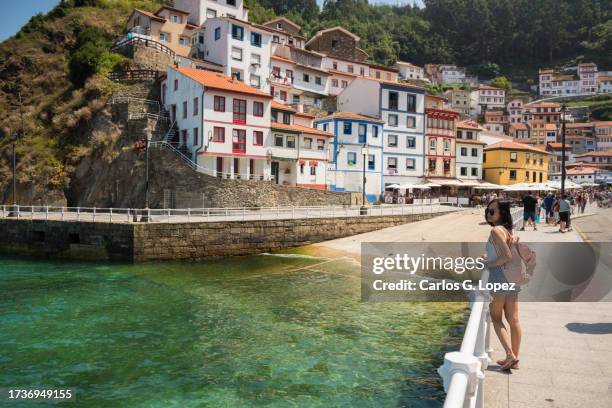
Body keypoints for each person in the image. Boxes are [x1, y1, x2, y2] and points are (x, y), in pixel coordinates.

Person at [484, 199, 522, 370]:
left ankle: (509, 355)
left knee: (496, 318)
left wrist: (487, 264)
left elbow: (506, 256)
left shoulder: (495, 231)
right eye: (487, 210)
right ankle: (514, 359)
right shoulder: (508, 231)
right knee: (513, 319)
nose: (488, 214)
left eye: (492, 211)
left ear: (502, 214)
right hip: (513, 277)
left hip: (499, 277)